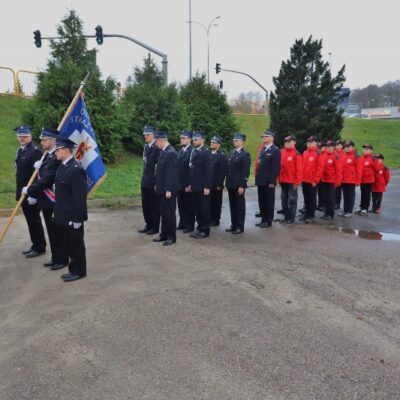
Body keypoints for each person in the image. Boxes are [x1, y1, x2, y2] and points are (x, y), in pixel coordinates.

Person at [22, 127, 67, 269]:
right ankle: (55, 258)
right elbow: (43, 175)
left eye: (44, 140)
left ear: (53, 140)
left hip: (54, 200)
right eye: (41, 140)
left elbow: (47, 179)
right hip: (46, 201)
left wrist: (30, 190)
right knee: (52, 232)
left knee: (58, 232)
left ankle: (62, 260)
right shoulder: (47, 155)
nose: (41, 142)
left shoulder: (57, 157)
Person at [53, 137, 88, 282]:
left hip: (73, 216)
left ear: (66, 151)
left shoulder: (76, 170)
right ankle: (73, 269)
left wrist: (78, 219)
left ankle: (79, 271)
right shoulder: (62, 166)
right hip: (63, 214)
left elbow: (79, 198)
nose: (55, 152)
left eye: (58, 150)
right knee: (69, 244)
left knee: (76, 245)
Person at [14, 125, 46, 258]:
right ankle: (35, 245)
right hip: (23, 192)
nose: (22, 138)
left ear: (30, 137)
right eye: (20, 136)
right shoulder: (20, 151)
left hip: (31, 194)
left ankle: (39, 247)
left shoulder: (35, 152)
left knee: (34, 221)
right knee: (30, 221)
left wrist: (33, 194)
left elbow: (39, 175)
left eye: (25, 136)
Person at [152, 131, 179, 246]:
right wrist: (157, 184)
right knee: (163, 212)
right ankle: (163, 234)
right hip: (161, 188)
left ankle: (171, 236)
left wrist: (169, 189)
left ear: (162, 140)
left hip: (168, 189)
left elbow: (171, 173)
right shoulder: (163, 152)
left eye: (156, 142)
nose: (155, 144)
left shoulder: (171, 153)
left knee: (169, 213)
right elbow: (160, 171)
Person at [188, 131, 213, 239]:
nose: (194, 141)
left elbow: (209, 171)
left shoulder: (206, 153)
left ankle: (205, 230)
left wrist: (207, 186)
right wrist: (190, 184)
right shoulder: (194, 151)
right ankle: (199, 228)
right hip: (194, 185)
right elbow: (192, 170)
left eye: (196, 139)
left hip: (203, 187)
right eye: (193, 139)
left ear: (202, 140)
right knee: (197, 209)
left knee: (204, 209)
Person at [225, 133, 251, 234]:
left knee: (239, 206)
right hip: (231, 184)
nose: (234, 142)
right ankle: (234, 224)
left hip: (238, 185)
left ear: (242, 142)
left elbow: (246, 171)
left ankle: (240, 226)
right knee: (232, 205)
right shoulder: (232, 152)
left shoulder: (245, 154)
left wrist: (242, 185)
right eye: (234, 140)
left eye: (237, 140)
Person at [255, 129, 281, 228]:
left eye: (265, 136)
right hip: (261, 180)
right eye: (263, 136)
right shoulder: (262, 149)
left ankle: (268, 220)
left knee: (269, 201)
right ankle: (263, 219)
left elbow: (275, 167)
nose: (263, 138)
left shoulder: (275, 150)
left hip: (268, 181)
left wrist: (272, 181)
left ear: (271, 138)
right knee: (261, 201)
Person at [138, 125, 160, 235]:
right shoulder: (146, 147)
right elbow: (145, 164)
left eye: (148, 135)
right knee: (145, 206)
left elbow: (158, 167)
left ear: (153, 135)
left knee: (154, 206)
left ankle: (155, 227)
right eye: (145, 135)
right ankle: (148, 224)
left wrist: (157, 182)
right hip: (145, 181)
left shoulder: (157, 148)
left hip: (153, 182)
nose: (145, 136)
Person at [278, 135, 302, 224]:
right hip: (283, 180)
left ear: (294, 142)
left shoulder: (296, 153)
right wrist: (279, 179)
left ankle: (290, 218)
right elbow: (279, 167)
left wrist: (297, 181)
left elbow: (299, 169)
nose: (286, 143)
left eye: (289, 142)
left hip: (292, 181)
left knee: (292, 200)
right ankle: (286, 216)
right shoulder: (281, 152)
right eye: (285, 142)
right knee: (284, 199)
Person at [316, 140, 342, 220]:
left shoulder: (336, 156)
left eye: (330, 146)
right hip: (324, 180)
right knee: (325, 197)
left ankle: (330, 213)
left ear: (334, 147)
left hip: (332, 181)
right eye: (327, 146)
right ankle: (326, 212)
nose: (329, 148)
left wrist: (338, 181)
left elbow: (338, 170)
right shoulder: (324, 156)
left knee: (330, 198)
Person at [176, 130, 195, 233]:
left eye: (184, 138)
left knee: (189, 205)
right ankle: (182, 223)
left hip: (187, 183)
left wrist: (190, 184)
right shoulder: (180, 151)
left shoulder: (192, 151)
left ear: (189, 139)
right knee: (181, 204)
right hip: (180, 183)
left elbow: (191, 169)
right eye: (181, 138)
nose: (181, 140)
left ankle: (189, 225)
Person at [299, 136, 320, 222]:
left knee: (312, 198)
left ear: (316, 143)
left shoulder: (318, 153)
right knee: (306, 198)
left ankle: (311, 215)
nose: (309, 143)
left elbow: (320, 168)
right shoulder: (305, 152)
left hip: (312, 181)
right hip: (304, 180)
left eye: (311, 141)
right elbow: (302, 166)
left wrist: (316, 180)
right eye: (308, 141)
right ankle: (306, 213)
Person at [338, 140, 361, 218]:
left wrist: (358, 181)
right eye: (346, 147)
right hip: (344, 180)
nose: (346, 148)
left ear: (352, 147)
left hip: (351, 180)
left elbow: (359, 170)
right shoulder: (345, 155)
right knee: (345, 195)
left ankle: (349, 210)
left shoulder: (356, 156)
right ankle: (345, 209)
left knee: (350, 196)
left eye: (348, 146)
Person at [209, 135, 227, 226]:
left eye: (214, 142)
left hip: (216, 184)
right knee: (208, 202)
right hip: (208, 183)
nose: (212, 144)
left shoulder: (221, 156)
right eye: (211, 142)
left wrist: (219, 184)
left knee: (216, 202)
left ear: (218, 145)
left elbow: (222, 171)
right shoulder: (208, 154)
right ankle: (209, 217)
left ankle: (215, 219)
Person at [356, 144, 376, 216]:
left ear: (371, 150)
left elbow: (376, 169)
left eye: (367, 149)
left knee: (367, 195)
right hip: (362, 180)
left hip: (369, 180)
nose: (365, 150)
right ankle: (361, 206)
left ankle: (365, 208)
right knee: (363, 194)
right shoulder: (361, 158)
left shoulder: (373, 159)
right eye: (364, 149)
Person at [316, 141, 327, 211]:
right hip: (319, 176)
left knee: (324, 191)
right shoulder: (319, 154)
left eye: (321, 147)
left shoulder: (326, 154)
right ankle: (320, 204)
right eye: (318, 147)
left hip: (325, 176)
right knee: (320, 191)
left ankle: (324, 205)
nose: (319, 149)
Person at [335, 140, 345, 210]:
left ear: (341, 146)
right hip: (333, 175)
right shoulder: (334, 153)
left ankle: (337, 203)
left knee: (338, 190)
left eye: (338, 144)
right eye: (336, 144)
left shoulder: (343, 155)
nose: (336, 145)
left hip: (339, 175)